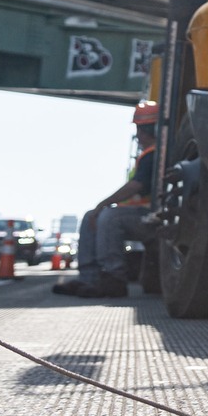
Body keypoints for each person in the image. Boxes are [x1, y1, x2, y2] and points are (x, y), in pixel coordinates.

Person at [52, 102, 161, 298]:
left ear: (147, 129)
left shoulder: (155, 154)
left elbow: (136, 186)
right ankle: (89, 278)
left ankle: (114, 279)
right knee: (90, 217)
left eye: (140, 129)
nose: (138, 135)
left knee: (109, 217)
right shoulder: (149, 155)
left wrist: (102, 205)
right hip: (142, 216)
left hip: (153, 218)